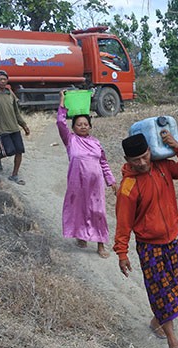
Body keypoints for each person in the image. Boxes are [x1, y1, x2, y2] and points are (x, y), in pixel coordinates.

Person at [114, 131, 178, 348]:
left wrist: (177, 146)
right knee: (160, 291)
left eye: (144, 156)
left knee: (174, 288)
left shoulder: (164, 167)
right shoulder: (128, 187)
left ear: (150, 150)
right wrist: (122, 253)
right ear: (127, 161)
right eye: (135, 160)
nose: (142, 163)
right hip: (150, 247)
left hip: (172, 240)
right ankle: (172, 340)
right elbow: (123, 224)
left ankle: (156, 321)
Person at [57, 90, 118, 258]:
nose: (83, 126)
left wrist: (111, 181)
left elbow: (104, 163)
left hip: (95, 183)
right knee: (78, 209)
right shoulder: (70, 140)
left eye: (86, 124)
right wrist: (62, 101)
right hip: (77, 182)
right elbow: (60, 123)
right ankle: (81, 236)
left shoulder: (96, 143)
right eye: (79, 124)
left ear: (90, 127)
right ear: (73, 128)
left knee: (98, 211)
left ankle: (100, 244)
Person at [0, 70, 30, 185]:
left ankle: (14, 175)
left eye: (4, 79)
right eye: (0, 79)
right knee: (9, 151)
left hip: (14, 127)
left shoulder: (10, 94)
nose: (2, 81)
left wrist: (24, 125)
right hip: (2, 128)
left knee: (19, 151)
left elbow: (16, 112)